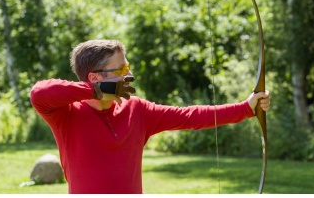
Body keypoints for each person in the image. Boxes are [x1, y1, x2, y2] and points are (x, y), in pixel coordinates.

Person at [30, 39, 271, 194]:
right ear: (95, 78)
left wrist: (246, 108)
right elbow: (39, 93)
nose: (130, 74)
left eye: (128, 67)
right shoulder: (67, 115)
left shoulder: (138, 111)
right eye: (122, 70)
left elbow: (189, 116)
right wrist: (94, 92)